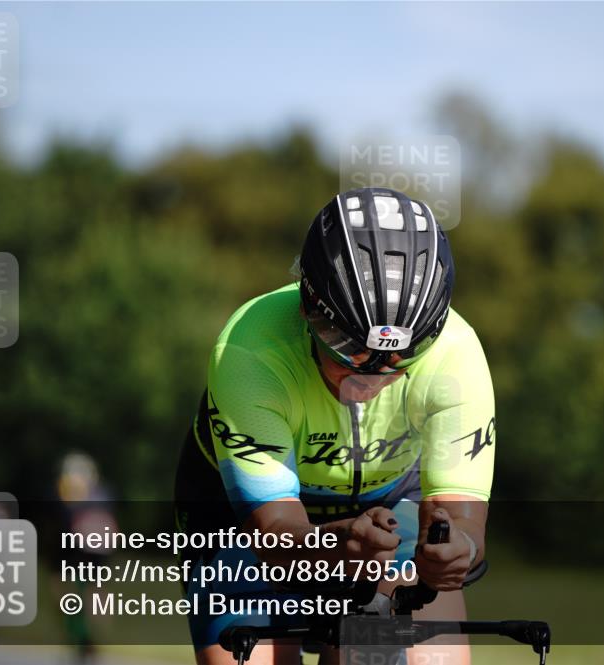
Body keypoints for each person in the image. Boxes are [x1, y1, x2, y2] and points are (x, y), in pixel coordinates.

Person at [175, 187, 496, 665]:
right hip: (248, 521)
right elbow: (276, 531)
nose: (373, 376)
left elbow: (463, 523)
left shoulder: (458, 355)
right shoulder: (251, 350)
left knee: (401, 657)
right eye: (347, 347)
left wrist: (453, 552)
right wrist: (334, 543)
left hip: (389, 505)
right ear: (308, 307)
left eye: (403, 357)